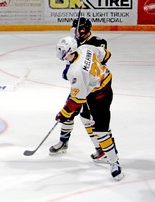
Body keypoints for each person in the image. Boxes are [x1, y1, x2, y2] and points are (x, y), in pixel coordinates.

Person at [53, 36, 124, 181]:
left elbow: (77, 99)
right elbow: (106, 54)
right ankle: (102, 149)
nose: (60, 52)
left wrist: (63, 114)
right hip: (104, 81)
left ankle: (114, 163)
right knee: (85, 117)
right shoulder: (85, 48)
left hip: (100, 95)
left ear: (69, 51)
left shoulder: (75, 72)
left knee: (101, 130)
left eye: (62, 50)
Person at [49, 17, 110, 164]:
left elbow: (98, 61)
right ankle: (64, 142)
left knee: (87, 118)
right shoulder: (75, 43)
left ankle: (101, 148)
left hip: (92, 87)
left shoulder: (97, 41)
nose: (77, 32)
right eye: (75, 30)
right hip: (79, 85)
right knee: (68, 112)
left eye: (80, 30)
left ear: (87, 30)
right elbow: (70, 66)